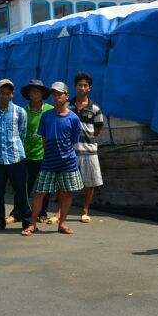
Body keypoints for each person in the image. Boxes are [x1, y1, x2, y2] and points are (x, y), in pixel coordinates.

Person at [22, 82, 83, 236]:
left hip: (68, 162)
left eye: (60, 94)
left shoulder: (74, 118)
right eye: (54, 94)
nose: (56, 97)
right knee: (39, 193)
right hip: (48, 161)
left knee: (67, 193)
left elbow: (73, 141)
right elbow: (44, 139)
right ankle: (32, 224)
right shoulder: (46, 116)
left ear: (66, 96)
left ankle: (62, 223)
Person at [0, 79, 30, 231]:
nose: (5, 96)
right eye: (2, 93)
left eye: (8, 93)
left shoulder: (20, 112)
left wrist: (15, 146)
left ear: (12, 94)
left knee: (21, 192)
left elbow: (22, 133)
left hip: (16, 158)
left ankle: (27, 222)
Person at [68, 71, 105, 223]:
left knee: (90, 182)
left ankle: (85, 210)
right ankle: (60, 212)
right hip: (70, 151)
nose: (82, 88)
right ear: (75, 87)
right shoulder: (68, 106)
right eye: (79, 85)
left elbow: (97, 129)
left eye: (85, 86)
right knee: (65, 182)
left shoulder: (95, 108)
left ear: (89, 88)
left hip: (89, 151)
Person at [21, 79, 53, 223]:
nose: (35, 93)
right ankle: (23, 212)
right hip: (27, 156)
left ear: (42, 93)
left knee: (45, 187)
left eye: (38, 91)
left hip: (45, 156)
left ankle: (42, 213)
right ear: (28, 94)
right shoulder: (23, 111)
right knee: (25, 187)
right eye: (32, 90)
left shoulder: (50, 110)